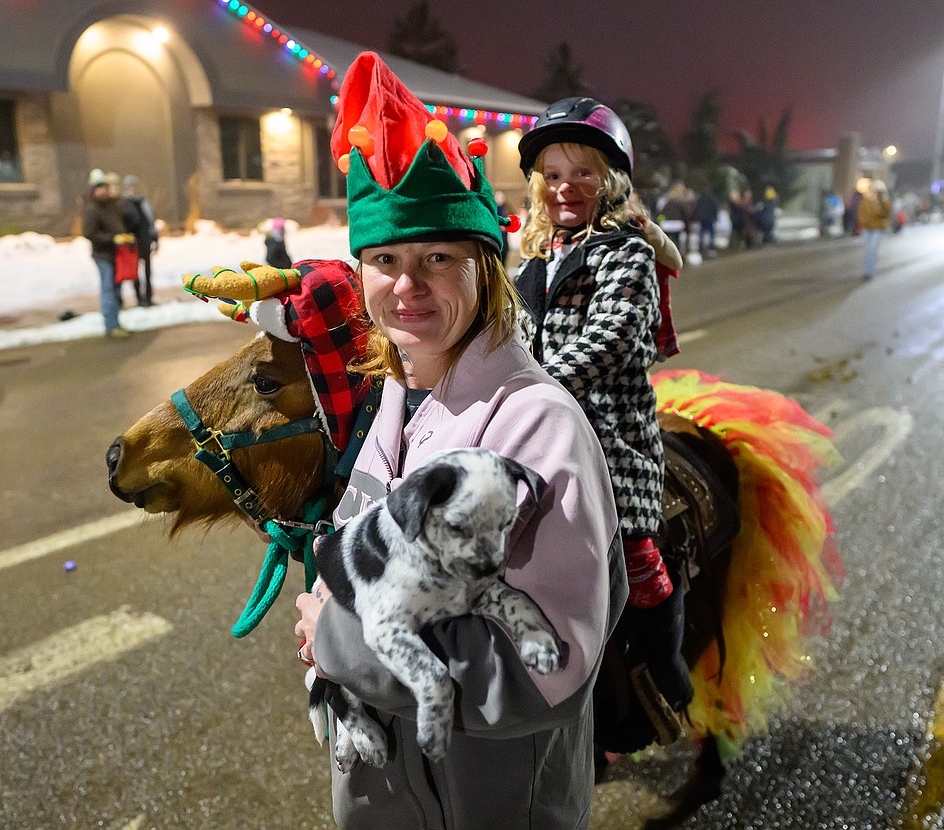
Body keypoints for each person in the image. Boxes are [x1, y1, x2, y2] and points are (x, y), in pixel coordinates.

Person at [293, 53, 623, 829]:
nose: (406, 285)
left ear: (484, 270)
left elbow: (550, 671)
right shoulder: (397, 400)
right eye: (385, 260)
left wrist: (338, 639)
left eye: (437, 258)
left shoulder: (536, 423)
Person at [512, 96, 694, 747]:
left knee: (640, 555)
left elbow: (612, 340)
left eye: (582, 173)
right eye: (554, 175)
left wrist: (530, 389)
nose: (567, 187)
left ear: (610, 180)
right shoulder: (528, 259)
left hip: (608, 433)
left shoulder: (628, 254)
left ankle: (665, 664)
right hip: (530, 429)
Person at [83, 169, 131, 338]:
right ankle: (111, 325)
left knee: (116, 289)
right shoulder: (92, 209)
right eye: (100, 188)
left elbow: (124, 215)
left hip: (116, 254)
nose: (103, 191)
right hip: (103, 255)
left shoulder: (111, 205)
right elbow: (89, 233)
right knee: (108, 289)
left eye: (105, 187)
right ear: (94, 191)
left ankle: (116, 323)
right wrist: (112, 238)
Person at [120, 174, 158, 307]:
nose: (133, 189)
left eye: (135, 186)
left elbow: (150, 221)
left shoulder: (143, 203)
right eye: (131, 187)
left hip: (145, 240)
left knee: (147, 271)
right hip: (132, 243)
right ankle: (139, 298)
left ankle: (148, 297)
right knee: (135, 271)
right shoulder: (124, 204)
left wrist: (155, 238)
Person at [858, 180, 892, 280]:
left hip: (878, 228)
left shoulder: (885, 201)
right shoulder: (866, 200)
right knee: (867, 250)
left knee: (873, 250)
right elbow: (861, 212)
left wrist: (879, 205)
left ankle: (870, 272)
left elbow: (885, 214)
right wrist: (863, 221)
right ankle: (867, 272)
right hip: (867, 228)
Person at [692, 188, 720, 255]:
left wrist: (697, 217)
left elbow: (696, 208)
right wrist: (715, 217)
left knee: (701, 232)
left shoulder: (700, 199)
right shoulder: (712, 199)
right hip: (710, 218)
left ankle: (701, 246)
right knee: (711, 232)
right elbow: (715, 208)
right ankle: (711, 246)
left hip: (702, 218)